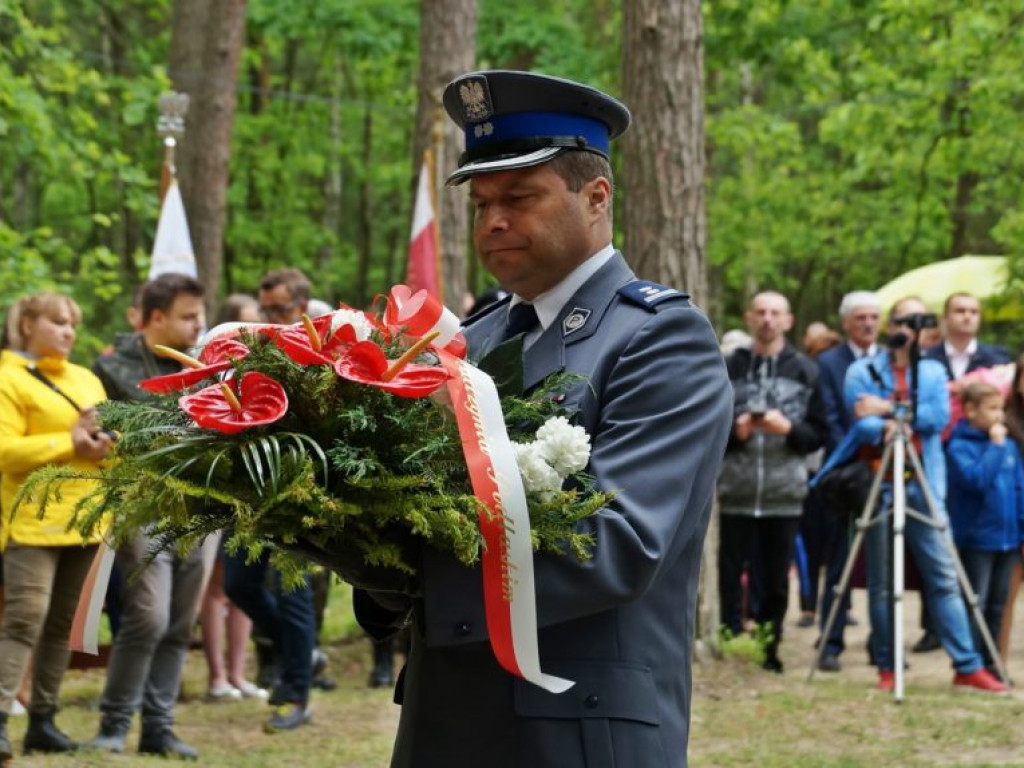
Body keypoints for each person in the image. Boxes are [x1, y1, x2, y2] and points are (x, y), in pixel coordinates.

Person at [349, 69, 731, 768]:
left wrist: (423, 573)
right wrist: (353, 542)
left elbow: (619, 544)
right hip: (447, 718)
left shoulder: (658, 338)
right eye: (483, 201)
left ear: (596, 197)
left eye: (520, 197)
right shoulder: (477, 338)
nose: (494, 220)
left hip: (573, 727)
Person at [819, 296, 1006, 693]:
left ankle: (967, 664)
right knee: (883, 582)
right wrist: (894, 418)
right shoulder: (863, 369)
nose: (911, 328)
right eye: (903, 320)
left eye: (919, 321)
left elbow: (936, 419)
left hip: (924, 482)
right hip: (879, 480)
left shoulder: (934, 370)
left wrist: (886, 408)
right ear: (892, 325)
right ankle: (887, 666)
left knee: (942, 575)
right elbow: (864, 426)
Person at [89, 273, 215, 758]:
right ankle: (114, 723)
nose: (197, 324)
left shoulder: (208, 364)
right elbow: (103, 431)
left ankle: (159, 728)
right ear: (156, 318)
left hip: (203, 506)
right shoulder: (113, 367)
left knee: (182, 622)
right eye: (187, 316)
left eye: (200, 315)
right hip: (145, 503)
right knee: (148, 614)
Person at [0, 292, 114, 758]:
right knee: (24, 619)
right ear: (27, 325)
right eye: (57, 322)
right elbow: (6, 452)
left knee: (61, 624)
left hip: (85, 520)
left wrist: (107, 445)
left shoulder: (87, 379)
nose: (68, 331)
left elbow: (106, 445)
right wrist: (68, 442)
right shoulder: (8, 378)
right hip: (31, 522)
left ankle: (44, 721)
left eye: (72, 323)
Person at [224, 268, 320, 733]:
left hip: (297, 488)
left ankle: (298, 693)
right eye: (264, 310)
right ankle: (301, 655)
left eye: (278, 309)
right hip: (248, 488)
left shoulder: (318, 353)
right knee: (239, 585)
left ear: (302, 308)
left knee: (294, 593)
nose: (269, 318)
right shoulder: (252, 349)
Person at [717, 292, 827, 672]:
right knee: (729, 573)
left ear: (788, 320)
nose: (767, 319)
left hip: (785, 491)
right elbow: (707, 430)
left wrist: (790, 429)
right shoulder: (728, 366)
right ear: (748, 318)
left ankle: (769, 646)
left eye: (775, 313)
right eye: (760, 312)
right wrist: (737, 431)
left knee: (777, 577)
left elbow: (819, 433)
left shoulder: (807, 370)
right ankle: (729, 640)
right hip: (736, 489)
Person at [812, 291, 882, 671]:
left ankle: (881, 645)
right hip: (844, 476)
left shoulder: (889, 361)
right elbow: (830, 419)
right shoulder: (828, 363)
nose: (868, 323)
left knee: (881, 564)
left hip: (884, 472)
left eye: (874, 317)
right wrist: (855, 458)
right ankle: (831, 641)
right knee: (840, 561)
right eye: (861, 317)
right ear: (846, 323)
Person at [946, 381, 1024, 671]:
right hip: (977, 540)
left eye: (1001, 409)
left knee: (998, 604)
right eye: (992, 409)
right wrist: (995, 446)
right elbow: (976, 480)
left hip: (1008, 539)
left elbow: (1018, 488)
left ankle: (993, 663)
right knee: (975, 604)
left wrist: (1021, 528)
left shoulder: (1008, 445)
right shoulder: (959, 446)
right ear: (970, 410)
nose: (999, 416)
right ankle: (971, 664)